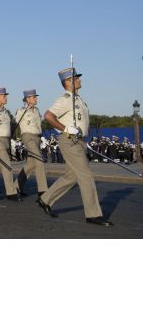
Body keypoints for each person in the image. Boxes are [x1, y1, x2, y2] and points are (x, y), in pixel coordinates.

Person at [37, 67, 113, 226]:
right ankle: (93, 214)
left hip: (80, 141)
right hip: (69, 141)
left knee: (71, 176)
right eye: (76, 78)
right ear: (68, 82)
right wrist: (65, 128)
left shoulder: (78, 99)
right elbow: (48, 116)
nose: (79, 79)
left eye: (78, 77)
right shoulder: (65, 99)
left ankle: (45, 199)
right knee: (86, 175)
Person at [15, 90, 48, 197]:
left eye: (35, 97)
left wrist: (41, 137)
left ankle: (16, 187)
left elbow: (38, 125)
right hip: (28, 137)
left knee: (30, 165)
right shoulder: (21, 111)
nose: (36, 99)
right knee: (39, 161)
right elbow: (15, 123)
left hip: (37, 137)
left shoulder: (37, 111)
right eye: (34, 97)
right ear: (27, 99)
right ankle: (42, 190)